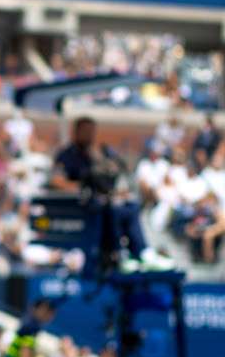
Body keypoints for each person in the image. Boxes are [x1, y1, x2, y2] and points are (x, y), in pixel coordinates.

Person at [49, 116, 174, 273]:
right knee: (113, 211)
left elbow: (101, 181)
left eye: (92, 132)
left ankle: (139, 253)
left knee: (130, 206)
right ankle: (120, 254)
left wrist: (113, 193)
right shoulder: (66, 155)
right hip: (80, 208)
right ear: (76, 132)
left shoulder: (94, 154)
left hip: (99, 202)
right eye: (86, 131)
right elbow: (56, 180)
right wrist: (82, 188)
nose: (89, 135)